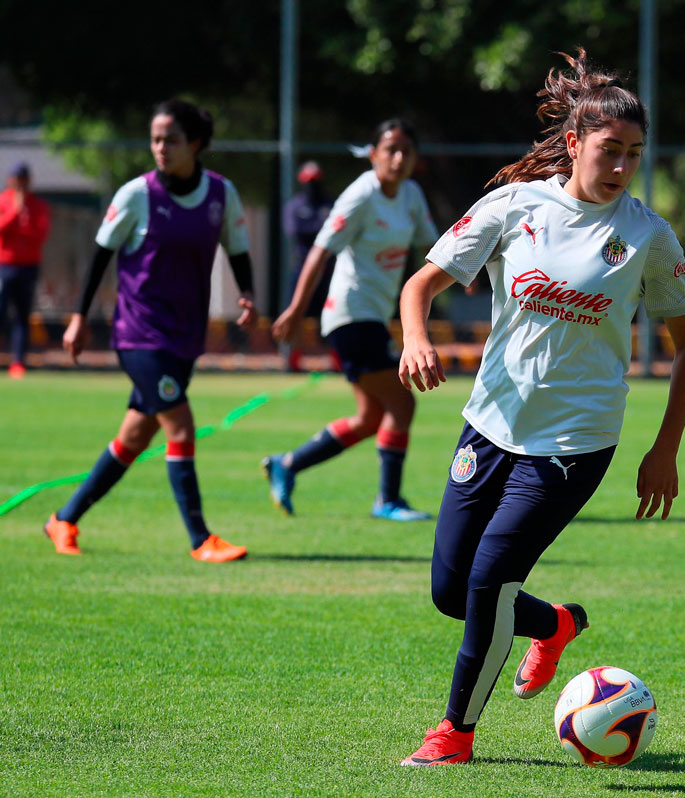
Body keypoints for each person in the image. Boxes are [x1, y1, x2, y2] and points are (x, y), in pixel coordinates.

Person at [395, 49, 685, 766]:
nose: (622, 166)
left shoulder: (648, 236)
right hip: (489, 426)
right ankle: (556, 624)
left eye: (634, 153)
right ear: (573, 143)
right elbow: (420, 286)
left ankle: (454, 733)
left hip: (573, 444)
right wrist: (415, 337)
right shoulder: (514, 207)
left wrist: (664, 449)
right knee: (451, 590)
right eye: (609, 149)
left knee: (488, 583)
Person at [44, 99, 257, 562]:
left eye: (171, 140)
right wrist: (79, 317)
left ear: (195, 144)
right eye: (156, 139)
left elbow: (238, 248)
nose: (161, 148)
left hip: (184, 336)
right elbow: (101, 254)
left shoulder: (221, 194)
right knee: (180, 425)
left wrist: (247, 294)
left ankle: (64, 519)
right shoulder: (136, 195)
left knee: (134, 437)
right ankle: (201, 539)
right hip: (139, 335)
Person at [264, 118, 439, 522]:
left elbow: (431, 245)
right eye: (390, 150)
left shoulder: (411, 194)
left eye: (406, 151)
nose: (398, 158)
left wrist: (462, 272)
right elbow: (320, 250)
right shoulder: (361, 195)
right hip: (350, 314)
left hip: (373, 316)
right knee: (402, 402)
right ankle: (388, 501)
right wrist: (296, 309)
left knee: (369, 418)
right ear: (373, 154)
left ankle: (286, 465)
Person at [281, 161, 334, 372]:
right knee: (296, 314)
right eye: (308, 181)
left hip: (328, 271)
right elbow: (295, 231)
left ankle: (337, 359)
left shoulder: (330, 204)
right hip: (302, 270)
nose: (312, 185)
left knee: (332, 315)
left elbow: (336, 231)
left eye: (315, 181)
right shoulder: (294, 206)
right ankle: (292, 360)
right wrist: (320, 230)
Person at [0, 162, 51, 378]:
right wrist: (15, 211)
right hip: (5, 266)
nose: (19, 182)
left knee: (22, 315)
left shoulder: (38, 205)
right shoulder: (3, 201)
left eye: (23, 178)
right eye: (16, 178)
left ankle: (18, 362)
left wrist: (22, 226)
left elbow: (40, 234)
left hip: (28, 266)